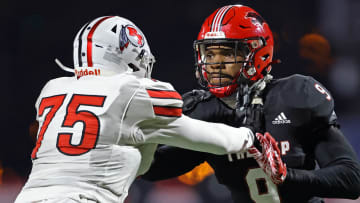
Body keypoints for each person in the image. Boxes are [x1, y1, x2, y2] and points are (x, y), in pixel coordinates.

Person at [14, 16, 258, 203]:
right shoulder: (133, 91)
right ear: (129, 53)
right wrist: (248, 134)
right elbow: (218, 142)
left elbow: (137, 163)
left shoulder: (52, 89)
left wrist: (149, 138)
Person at [142, 5, 360, 203]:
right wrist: (142, 130)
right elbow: (152, 169)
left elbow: (351, 179)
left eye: (227, 53)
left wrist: (288, 176)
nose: (216, 64)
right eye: (209, 54)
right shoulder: (206, 111)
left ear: (257, 52)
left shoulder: (295, 96)